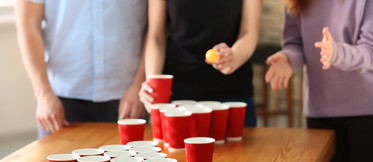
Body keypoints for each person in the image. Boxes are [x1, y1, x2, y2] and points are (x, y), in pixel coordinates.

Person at [265, 0, 373, 162]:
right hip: (320, 113)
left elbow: (370, 52)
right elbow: (294, 44)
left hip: (366, 112)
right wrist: (287, 58)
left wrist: (337, 52)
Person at [15, 0, 147, 138]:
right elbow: (27, 26)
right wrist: (43, 94)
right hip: (61, 101)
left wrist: (139, 85)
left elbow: (156, 26)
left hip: (130, 99)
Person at [139, 0, 262, 126]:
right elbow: (156, 37)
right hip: (177, 98)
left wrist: (233, 57)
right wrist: (153, 83)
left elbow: (249, 32)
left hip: (232, 96)